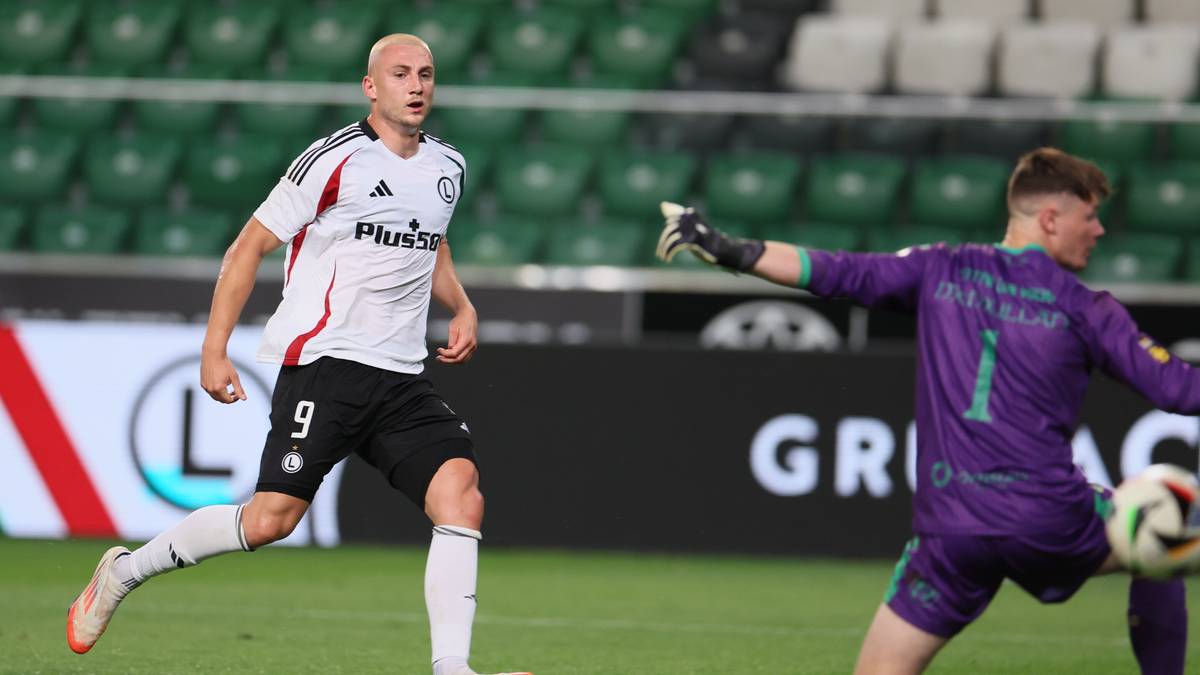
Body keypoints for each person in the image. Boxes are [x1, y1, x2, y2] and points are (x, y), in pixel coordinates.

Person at [66, 34, 530, 675]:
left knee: (462, 495)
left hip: (401, 376)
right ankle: (124, 571)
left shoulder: (447, 168)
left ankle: (452, 668)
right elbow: (248, 247)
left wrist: (463, 304)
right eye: (400, 74)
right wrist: (214, 348)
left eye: (425, 74)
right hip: (326, 364)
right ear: (372, 87)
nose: (416, 85)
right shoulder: (333, 160)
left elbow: (432, 244)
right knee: (270, 520)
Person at [656, 147, 1193, 675]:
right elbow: (1177, 389)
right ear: (1052, 219)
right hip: (1047, 521)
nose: (1098, 231)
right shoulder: (1085, 309)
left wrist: (729, 248)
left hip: (951, 529)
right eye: (1090, 216)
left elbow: (837, 271)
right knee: (1158, 526)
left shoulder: (942, 268)